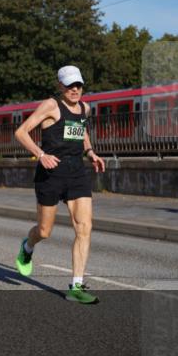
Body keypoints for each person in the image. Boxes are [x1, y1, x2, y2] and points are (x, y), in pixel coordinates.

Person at [14, 65, 106, 304]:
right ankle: (28, 247)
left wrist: (90, 152)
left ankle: (76, 286)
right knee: (44, 231)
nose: (75, 89)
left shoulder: (85, 108)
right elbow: (21, 132)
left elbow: (81, 130)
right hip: (51, 174)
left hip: (76, 173)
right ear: (60, 86)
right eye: (69, 85)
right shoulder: (51, 105)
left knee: (84, 227)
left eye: (78, 85)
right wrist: (40, 154)